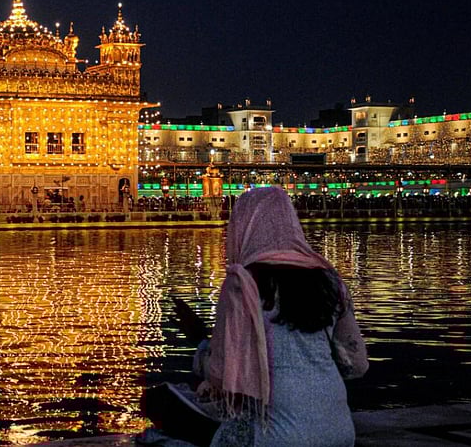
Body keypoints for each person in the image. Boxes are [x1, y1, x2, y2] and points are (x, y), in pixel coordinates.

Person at [142, 187, 368, 446]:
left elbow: (220, 374)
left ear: (243, 228)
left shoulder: (242, 284)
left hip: (275, 438)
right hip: (338, 432)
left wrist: (200, 340)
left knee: (157, 409)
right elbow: (356, 365)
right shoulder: (330, 281)